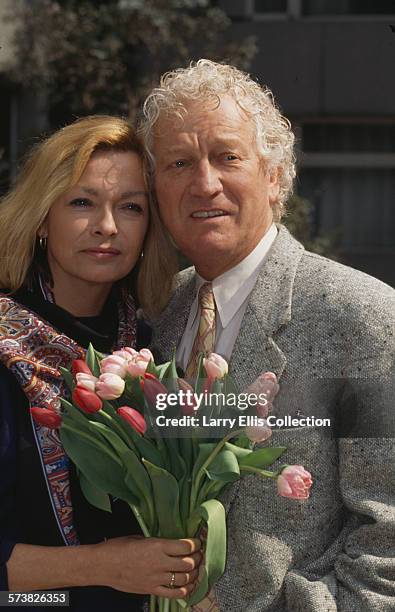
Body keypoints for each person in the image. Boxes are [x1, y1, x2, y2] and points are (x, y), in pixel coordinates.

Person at [140, 60, 395, 611]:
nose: (204, 183)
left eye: (227, 157)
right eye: (179, 163)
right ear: (156, 188)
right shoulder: (154, 314)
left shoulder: (362, 316)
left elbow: (389, 542)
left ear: (275, 173)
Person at [0, 115, 202, 610]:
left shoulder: (154, 349)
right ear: (43, 217)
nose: (107, 227)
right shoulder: (4, 351)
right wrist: (101, 567)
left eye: (130, 207)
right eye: (82, 202)